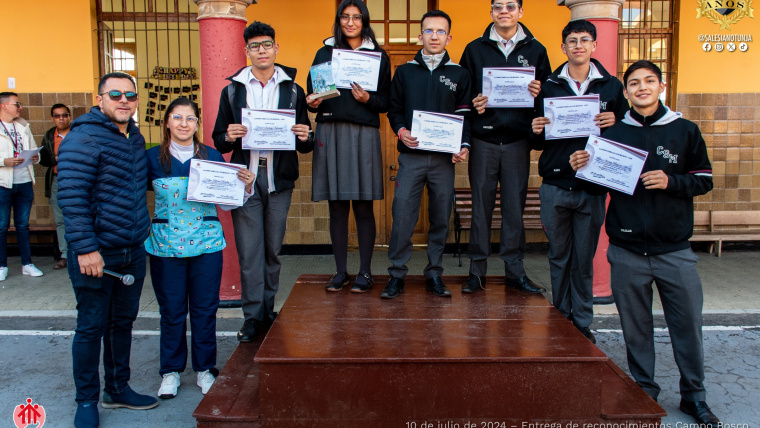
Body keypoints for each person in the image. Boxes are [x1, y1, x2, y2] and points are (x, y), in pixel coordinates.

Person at [570, 60, 720, 426]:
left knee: (687, 327)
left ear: (660, 86)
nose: (641, 88)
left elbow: (704, 179)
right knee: (635, 329)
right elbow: (597, 185)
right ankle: (643, 390)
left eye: (648, 81)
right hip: (627, 250)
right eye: (634, 83)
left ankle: (694, 397)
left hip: (675, 252)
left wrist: (673, 182)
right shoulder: (614, 133)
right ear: (625, 93)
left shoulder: (685, 130)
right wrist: (582, 165)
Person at [58, 72, 158, 428]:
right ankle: (86, 400)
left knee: (122, 324)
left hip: (132, 248)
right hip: (96, 252)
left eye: (130, 95)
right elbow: (71, 197)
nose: (123, 100)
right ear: (99, 98)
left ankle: (117, 388)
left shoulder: (133, 137)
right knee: (90, 326)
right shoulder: (82, 137)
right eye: (114, 94)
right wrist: (86, 249)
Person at [147, 98, 255, 399]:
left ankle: (205, 369)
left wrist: (245, 185)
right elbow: (130, 196)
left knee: (205, 309)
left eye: (190, 118)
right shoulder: (151, 158)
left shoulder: (210, 156)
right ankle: (170, 372)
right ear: (167, 122)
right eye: (178, 117)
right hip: (165, 245)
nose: (184, 124)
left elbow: (226, 202)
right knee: (171, 310)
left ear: (197, 124)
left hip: (206, 244)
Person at [213, 21, 313, 343]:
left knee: (273, 250)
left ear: (276, 48)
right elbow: (219, 139)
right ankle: (252, 317)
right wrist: (228, 135)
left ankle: (269, 309)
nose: (261, 50)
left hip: (278, 180)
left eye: (266, 44)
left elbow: (305, 140)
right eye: (255, 46)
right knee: (249, 251)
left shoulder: (292, 89)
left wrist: (305, 135)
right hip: (245, 180)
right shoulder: (233, 89)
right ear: (247, 51)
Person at [529, 20, 629, 344]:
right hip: (555, 185)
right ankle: (561, 318)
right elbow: (536, 141)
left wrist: (616, 123)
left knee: (583, 261)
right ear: (563, 47)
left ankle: (582, 321)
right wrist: (537, 129)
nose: (579, 46)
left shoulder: (612, 88)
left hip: (592, 188)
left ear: (594, 46)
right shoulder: (548, 87)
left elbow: (628, 138)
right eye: (572, 41)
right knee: (559, 257)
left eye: (585, 40)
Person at [459, 0, 551, 294]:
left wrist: (539, 93)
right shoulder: (475, 49)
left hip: (517, 141)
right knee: (480, 209)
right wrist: (474, 102)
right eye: (498, 6)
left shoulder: (536, 50)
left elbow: (550, 97)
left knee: (514, 209)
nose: (504, 11)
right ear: (491, 13)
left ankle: (515, 272)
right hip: (484, 139)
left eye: (511, 6)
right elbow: (463, 92)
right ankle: (477, 272)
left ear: (520, 12)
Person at [381, 10, 471, 299]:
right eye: (429, 31)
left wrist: (464, 145)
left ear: (449, 37)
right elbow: (394, 109)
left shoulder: (459, 74)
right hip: (412, 156)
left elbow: (465, 115)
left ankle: (434, 273)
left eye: (440, 32)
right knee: (403, 215)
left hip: (444, 160)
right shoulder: (405, 72)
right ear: (420, 36)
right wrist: (401, 130)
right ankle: (396, 274)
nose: (434, 36)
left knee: (440, 217)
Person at [306, 0, 391, 293]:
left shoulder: (378, 56)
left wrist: (369, 100)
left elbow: (386, 102)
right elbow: (313, 94)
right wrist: (312, 101)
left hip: (364, 133)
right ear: (339, 20)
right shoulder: (324, 52)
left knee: (364, 206)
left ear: (364, 21)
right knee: (337, 207)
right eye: (345, 17)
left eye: (356, 18)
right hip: (329, 131)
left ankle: (365, 273)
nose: (350, 22)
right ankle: (340, 271)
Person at [0, 92, 43, 281]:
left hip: (24, 182)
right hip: (3, 184)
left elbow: (34, 149)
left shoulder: (23, 126)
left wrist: (36, 157)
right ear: (3, 106)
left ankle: (27, 264)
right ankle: (2, 265)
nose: (20, 107)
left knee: (23, 225)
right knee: (2, 226)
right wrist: (3, 161)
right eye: (16, 104)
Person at [40, 103, 72, 270]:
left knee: (81, 216)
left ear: (69, 116)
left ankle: (80, 253)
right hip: (57, 179)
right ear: (52, 118)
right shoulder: (49, 135)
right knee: (60, 220)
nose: (61, 118)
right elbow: (43, 160)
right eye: (57, 116)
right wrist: (56, 159)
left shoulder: (78, 133)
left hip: (76, 180)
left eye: (64, 115)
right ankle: (65, 255)